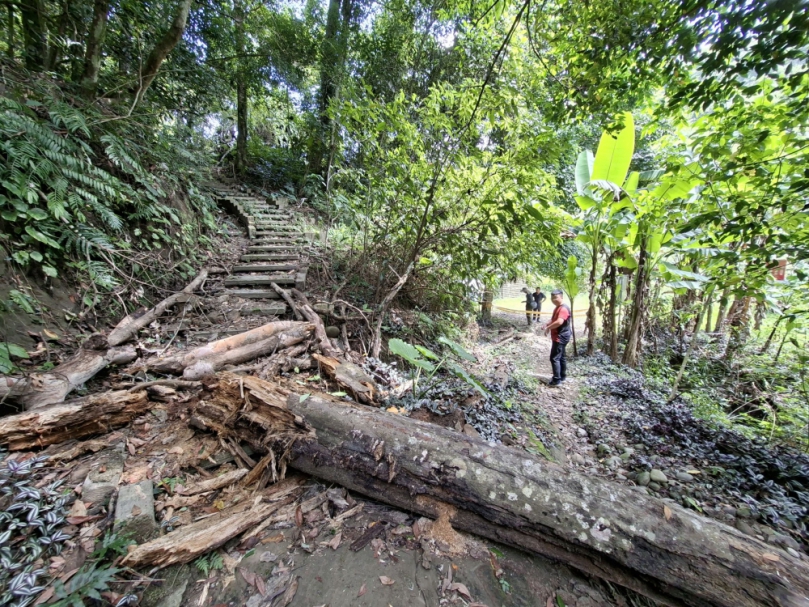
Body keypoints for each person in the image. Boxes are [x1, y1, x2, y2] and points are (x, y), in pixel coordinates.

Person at [541, 289, 571, 386]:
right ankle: (562, 376)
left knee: (554, 358)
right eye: (552, 298)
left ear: (561, 297)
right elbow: (554, 319)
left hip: (560, 336)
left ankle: (556, 380)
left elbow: (559, 322)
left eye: (555, 297)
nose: (553, 299)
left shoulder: (563, 308)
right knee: (561, 356)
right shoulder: (557, 307)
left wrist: (548, 328)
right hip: (560, 335)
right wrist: (547, 324)